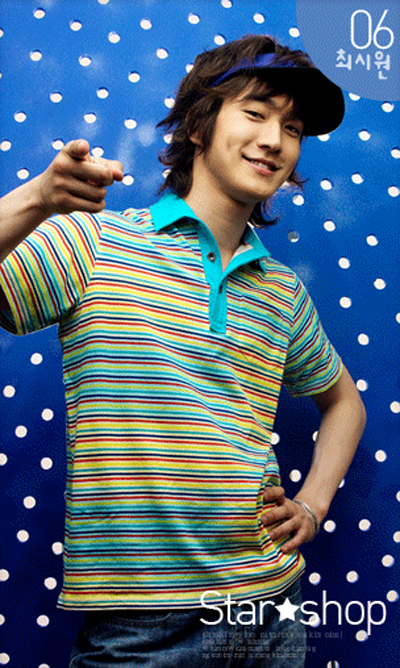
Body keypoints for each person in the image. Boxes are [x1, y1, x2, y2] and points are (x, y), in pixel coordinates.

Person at [0, 34, 366, 667]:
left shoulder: (281, 290)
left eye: (292, 127)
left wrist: (312, 504)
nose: (274, 140)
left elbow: (345, 403)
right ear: (198, 125)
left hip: (270, 611)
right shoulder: (95, 243)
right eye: (256, 113)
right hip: (141, 628)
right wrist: (36, 199)